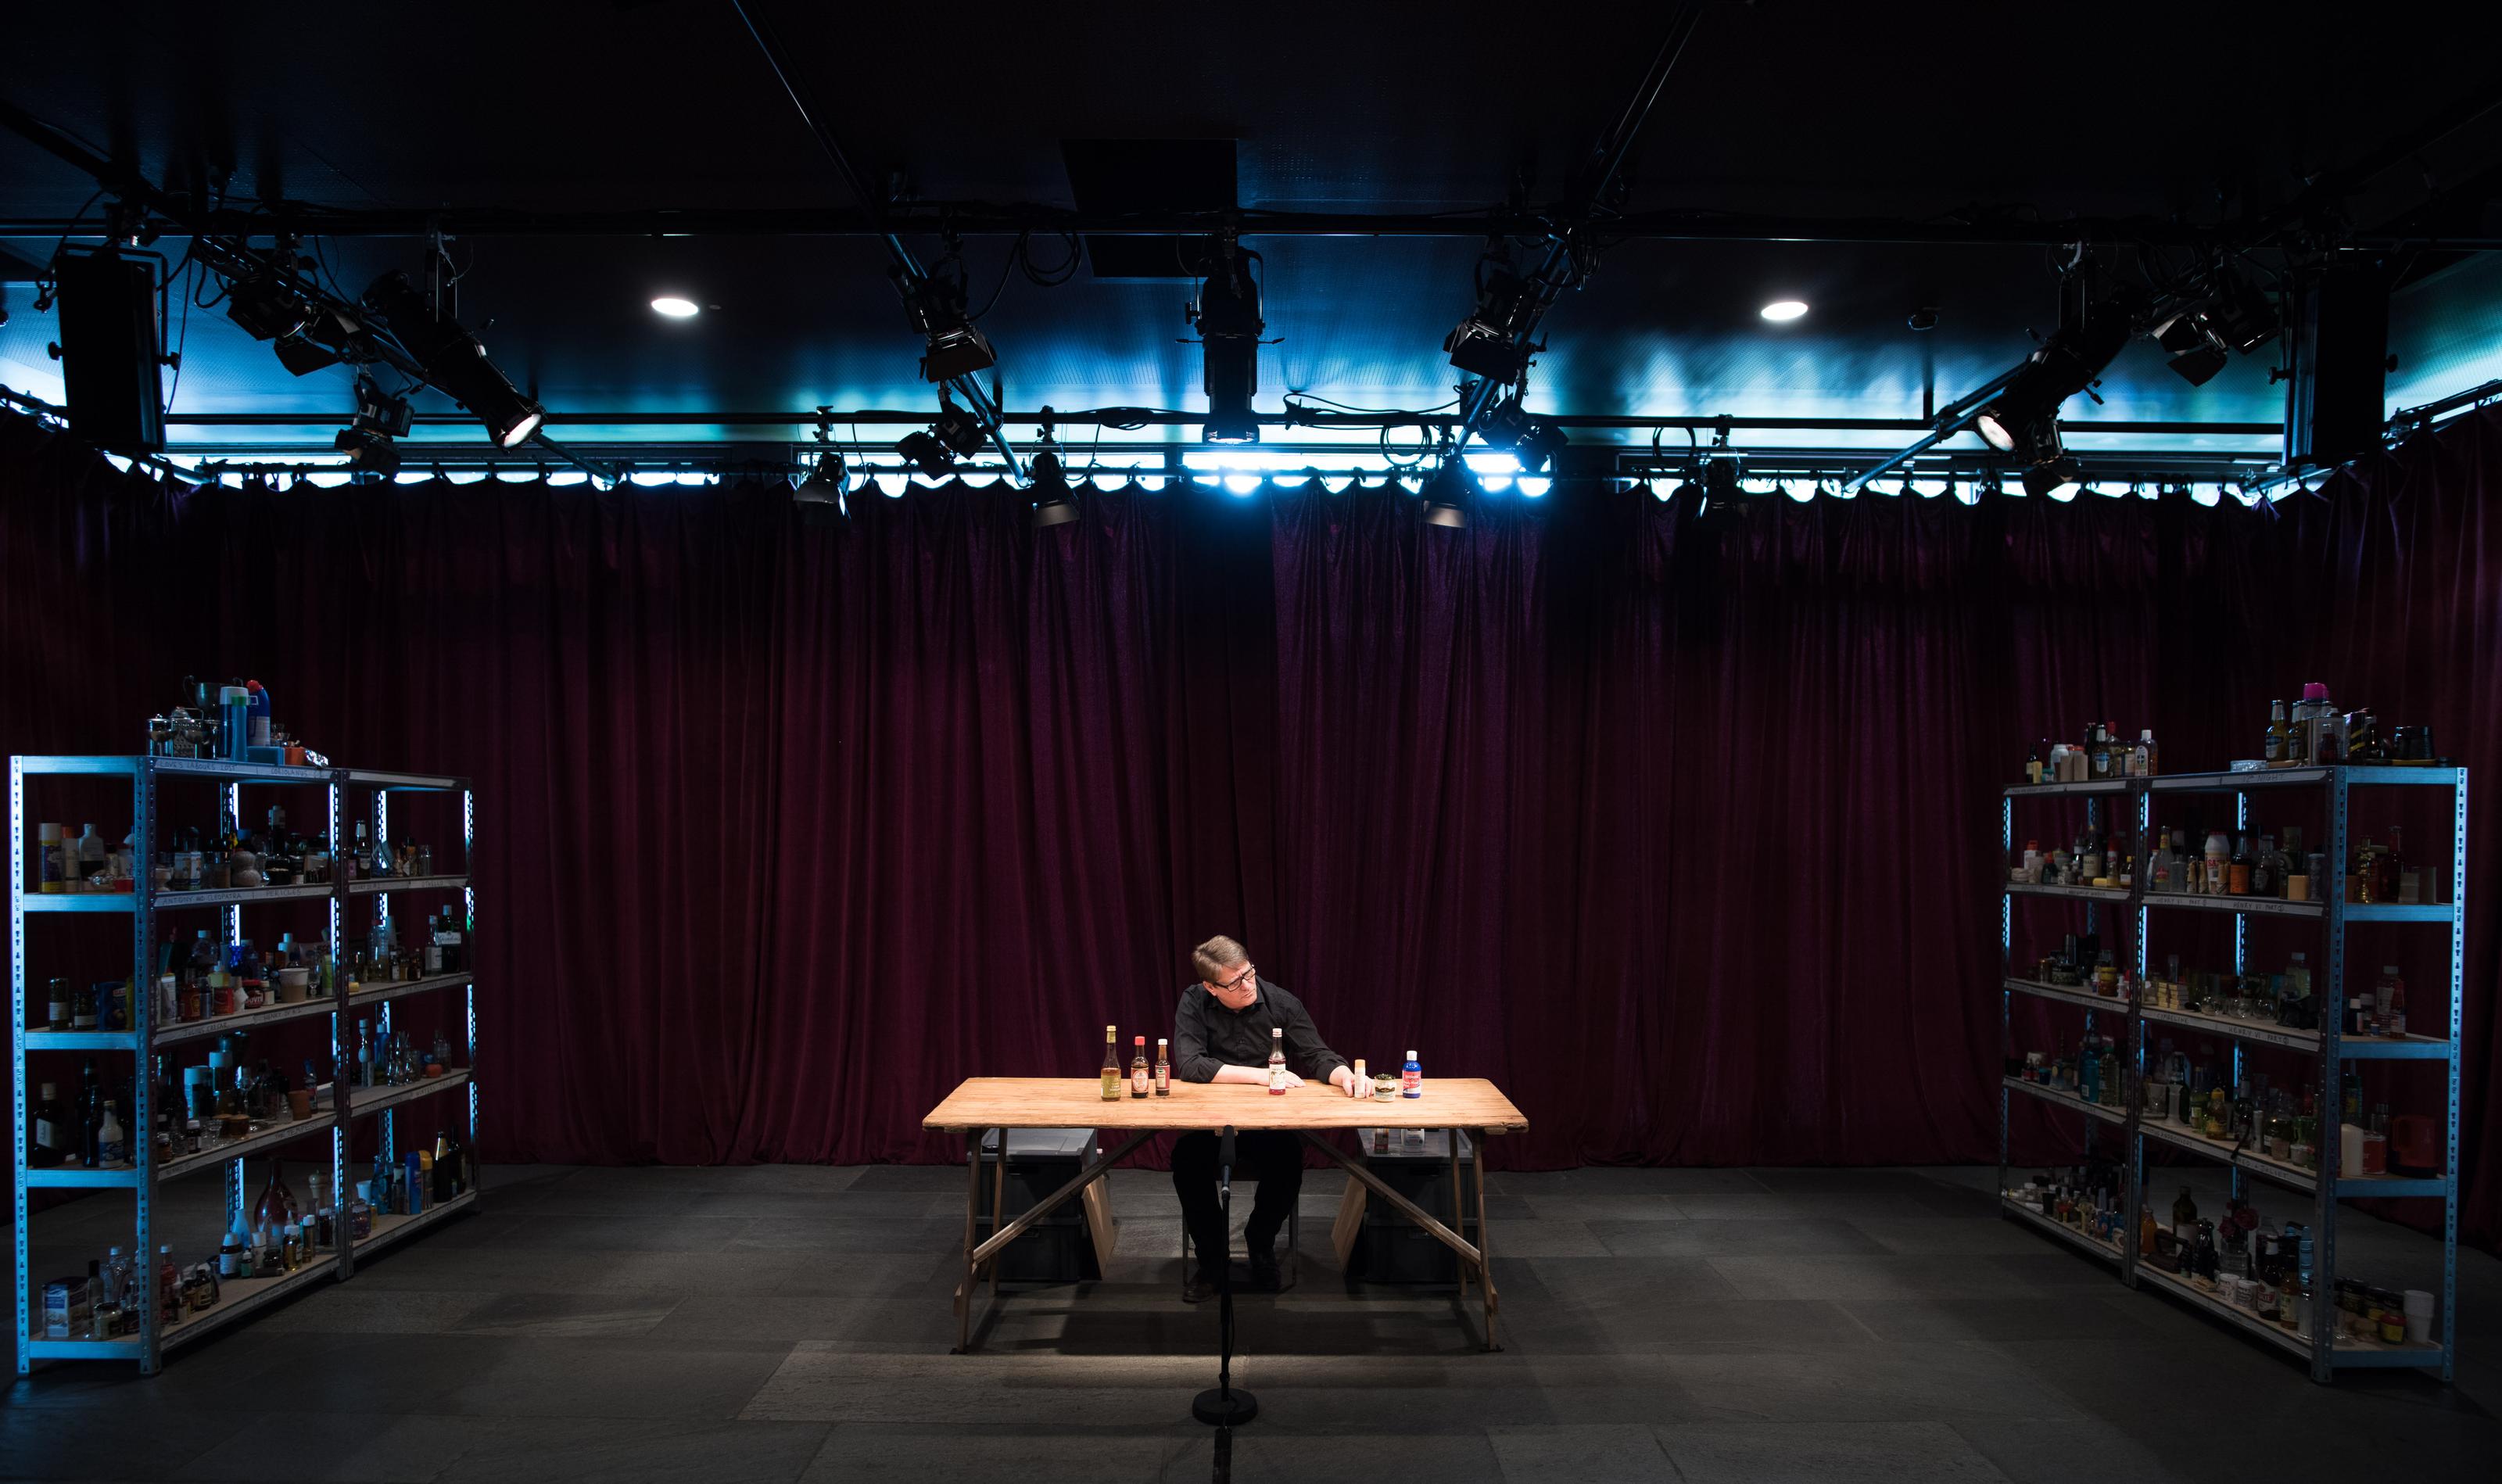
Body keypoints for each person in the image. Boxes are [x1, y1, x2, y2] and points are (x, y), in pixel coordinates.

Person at [1170, 935, 1359, 1301]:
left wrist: (1345, 1075)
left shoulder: (1280, 1001)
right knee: (1186, 1163)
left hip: (1268, 1123)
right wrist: (1261, 1075)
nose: (1247, 985)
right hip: (1211, 1122)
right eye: (1234, 982)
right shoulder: (1194, 1002)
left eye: (1249, 973)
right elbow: (1191, 1065)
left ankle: (1260, 1243)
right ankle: (1212, 1260)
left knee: (1289, 1160)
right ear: (1211, 987)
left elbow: (1317, 1054)